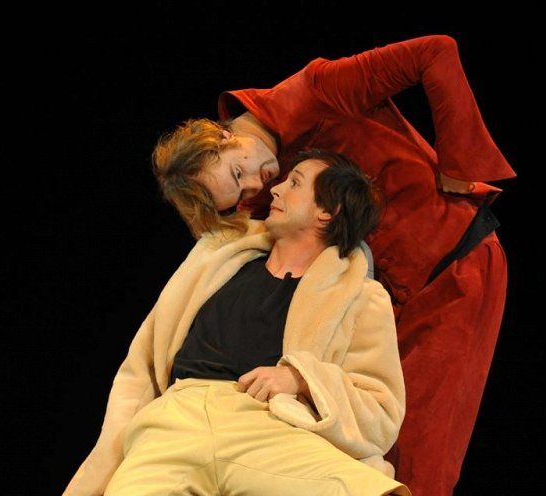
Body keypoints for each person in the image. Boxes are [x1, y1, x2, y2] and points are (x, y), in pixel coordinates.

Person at [152, 35, 516, 495]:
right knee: (351, 451)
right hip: (371, 295)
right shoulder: (264, 191)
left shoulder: (314, 91)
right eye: (239, 193)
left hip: (452, 269)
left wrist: (461, 164)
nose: (256, 188)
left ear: (222, 136)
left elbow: (435, 51)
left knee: (420, 456)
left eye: (238, 173)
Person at [64, 150, 411, 496]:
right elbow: (141, 366)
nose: (276, 189)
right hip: (176, 419)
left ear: (327, 212)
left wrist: (302, 379)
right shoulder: (217, 256)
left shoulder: (361, 297)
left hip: (268, 428)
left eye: (295, 183)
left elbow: (380, 412)